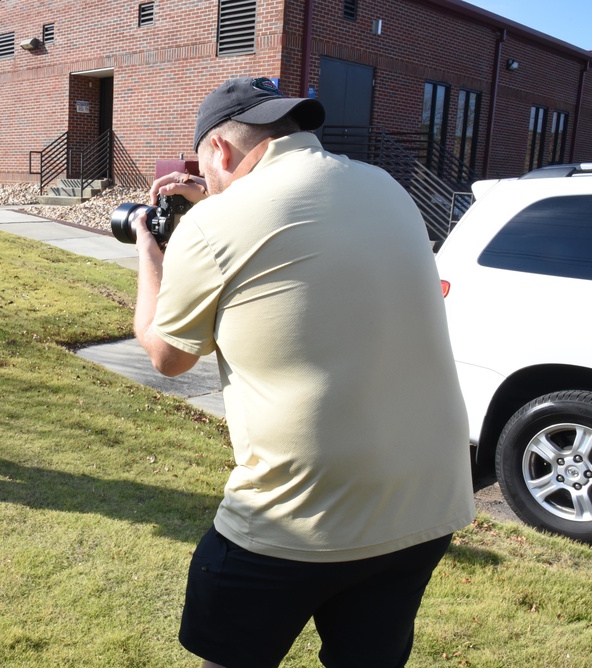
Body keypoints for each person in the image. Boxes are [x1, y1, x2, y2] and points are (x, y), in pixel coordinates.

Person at [131, 77, 476, 667]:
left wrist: (148, 245)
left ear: (219, 151)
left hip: (297, 516)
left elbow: (168, 356)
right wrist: (215, 202)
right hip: (425, 504)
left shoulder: (211, 227)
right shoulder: (386, 186)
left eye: (206, 167)